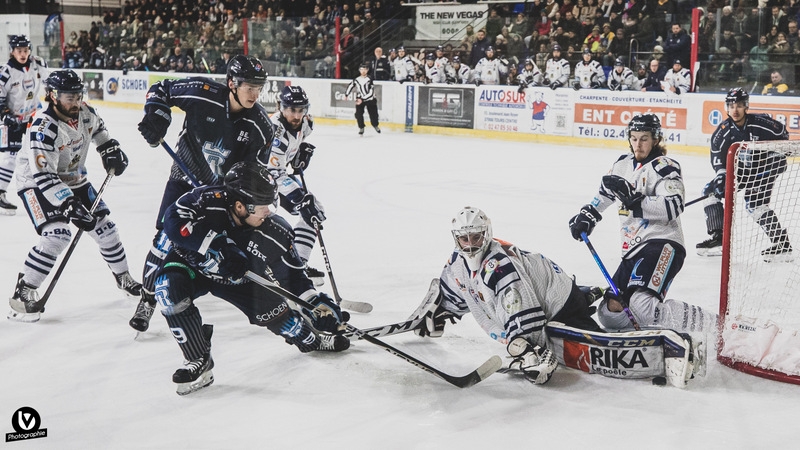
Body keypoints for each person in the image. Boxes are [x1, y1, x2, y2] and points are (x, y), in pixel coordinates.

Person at [156, 162, 349, 395]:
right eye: (263, 205)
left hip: (240, 280)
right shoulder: (205, 200)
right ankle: (198, 359)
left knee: (285, 322)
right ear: (239, 206)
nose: (269, 210)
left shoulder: (275, 231)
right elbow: (172, 220)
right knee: (167, 290)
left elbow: (294, 276)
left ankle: (311, 338)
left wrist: (314, 303)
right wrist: (215, 244)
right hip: (191, 265)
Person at [129, 55, 274, 332]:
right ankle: (147, 299)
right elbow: (161, 89)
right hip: (183, 180)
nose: (255, 94)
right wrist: (156, 114)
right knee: (163, 240)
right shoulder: (202, 93)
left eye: (259, 88)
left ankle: (210, 283)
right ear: (232, 83)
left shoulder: (261, 127)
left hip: (221, 194)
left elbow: (256, 174)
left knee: (218, 243)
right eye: (249, 87)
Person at [411, 206, 603, 385]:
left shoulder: (500, 266)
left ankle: (587, 303)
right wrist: (441, 311)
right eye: (464, 239)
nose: (470, 245)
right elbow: (457, 289)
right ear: (457, 238)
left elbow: (523, 312)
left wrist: (530, 351)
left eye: (476, 237)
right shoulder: (457, 262)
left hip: (562, 303)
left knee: (589, 343)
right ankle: (585, 294)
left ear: (486, 234)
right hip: (547, 288)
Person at [8, 70, 141, 322]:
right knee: (57, 236)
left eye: (78, 95)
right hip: (37, 183)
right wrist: (68, 204)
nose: (75, 102)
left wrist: (108, 148)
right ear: (53, 96)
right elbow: (44, 175)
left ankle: (123, 277)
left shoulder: (86, 113)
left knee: (107, 229)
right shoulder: (43, 128)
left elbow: (99, 129)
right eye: (68, 97)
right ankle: (25, 288)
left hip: (75, 179)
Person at [568, 113, 717, 333]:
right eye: (634, 138)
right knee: (609, 312)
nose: (638, 144)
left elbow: (674, 206)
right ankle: (645, 335)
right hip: (632, 249)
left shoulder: (665, 166)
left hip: (663, 243)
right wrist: (588, 214)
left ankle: (715, 326)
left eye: (644, 138)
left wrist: (635, 200)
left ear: (656, 139)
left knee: (641, 305)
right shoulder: (622, 165)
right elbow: (604, 195)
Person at [696, 88, 791, 261]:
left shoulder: (761, 123)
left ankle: (782, 245)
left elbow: (782, 134)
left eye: (739, 105)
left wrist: (776, 156)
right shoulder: (723, 131)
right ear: (726, 107)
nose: (735, 110)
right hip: (742, 170)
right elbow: (717, 156)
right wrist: (721, 176)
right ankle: (719, 239)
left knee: (754, 203)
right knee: (709, 193)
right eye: (731, 105)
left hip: (765, 167)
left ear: (746, 106)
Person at [260, 85, 326, 283]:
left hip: (277, 174)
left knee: (314, 212)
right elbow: (272, 171)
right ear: (281, 107)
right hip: (260, 179)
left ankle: (298, 266)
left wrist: (299, 156)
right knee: (267, 219)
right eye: (291, 110)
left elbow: (294, 148)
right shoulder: (274, 130)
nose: (297, 115)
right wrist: (298, 197)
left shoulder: (306, 123)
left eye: (301, 110)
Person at [0, 35, 48, 215]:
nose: (23, 54)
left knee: (39, 154)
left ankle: (46, 190)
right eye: (19, 51)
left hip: (33, 117)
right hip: (12, 120)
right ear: (12, 51)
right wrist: (6, 115)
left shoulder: (38, 64)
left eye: (26, 50)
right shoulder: (5, 72)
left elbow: (49, 84)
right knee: (10, 158)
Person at [345, 62, 380, 136]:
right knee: (359, 114)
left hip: (370, 99)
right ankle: (361, 127)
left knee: (373, 114)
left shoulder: (369, 79)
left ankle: (375, 125)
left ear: (367, 70)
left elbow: (371, 92)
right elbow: (350, 86)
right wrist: (346, 94)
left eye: (365, 69)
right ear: (359, 70)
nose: (363, 71)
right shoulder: (357, 79)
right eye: (361, 69)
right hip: (360, 98)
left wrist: (363, 99)